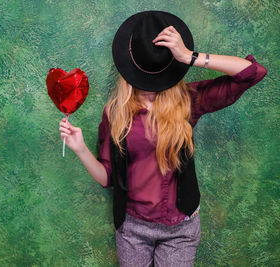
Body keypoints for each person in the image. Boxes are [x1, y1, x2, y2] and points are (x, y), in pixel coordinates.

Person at [58, 10, 267, 267]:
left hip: (180, 228)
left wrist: (190, 56)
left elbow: (253, 72)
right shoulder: (115, 112)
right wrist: (79, 149)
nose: (150, 85)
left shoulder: (188, 100)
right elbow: (107, 178)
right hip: (133, 228)